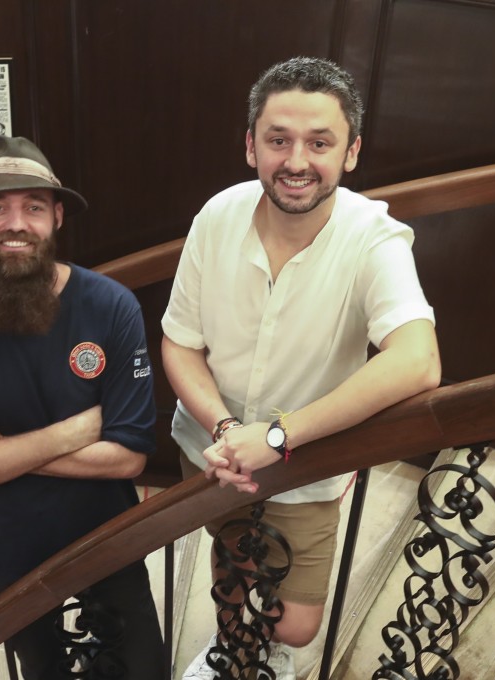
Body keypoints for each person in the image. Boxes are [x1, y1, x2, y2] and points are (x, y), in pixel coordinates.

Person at [161, 57, 441, 679]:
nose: (296, 161)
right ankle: (230, 652)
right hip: (210, 442)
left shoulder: (374, 236)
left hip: (303, 465)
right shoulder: (217, 217)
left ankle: (271, 650)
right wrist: (228, 430)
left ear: (352, 152)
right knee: (230, 558)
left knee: (297, 621)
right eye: (278, 140)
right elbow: (179, 345)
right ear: (250, 145)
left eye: (320, 142)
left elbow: (418, 361)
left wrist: (277, 437)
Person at [0, 135, 164, 680]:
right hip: (11, 551)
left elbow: (127, 459)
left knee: (144, 670)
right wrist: (77, 431)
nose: (15, 223)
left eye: (32, 207)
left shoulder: (110, 306)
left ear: (56, 218)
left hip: (107, 537)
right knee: (42, 672)